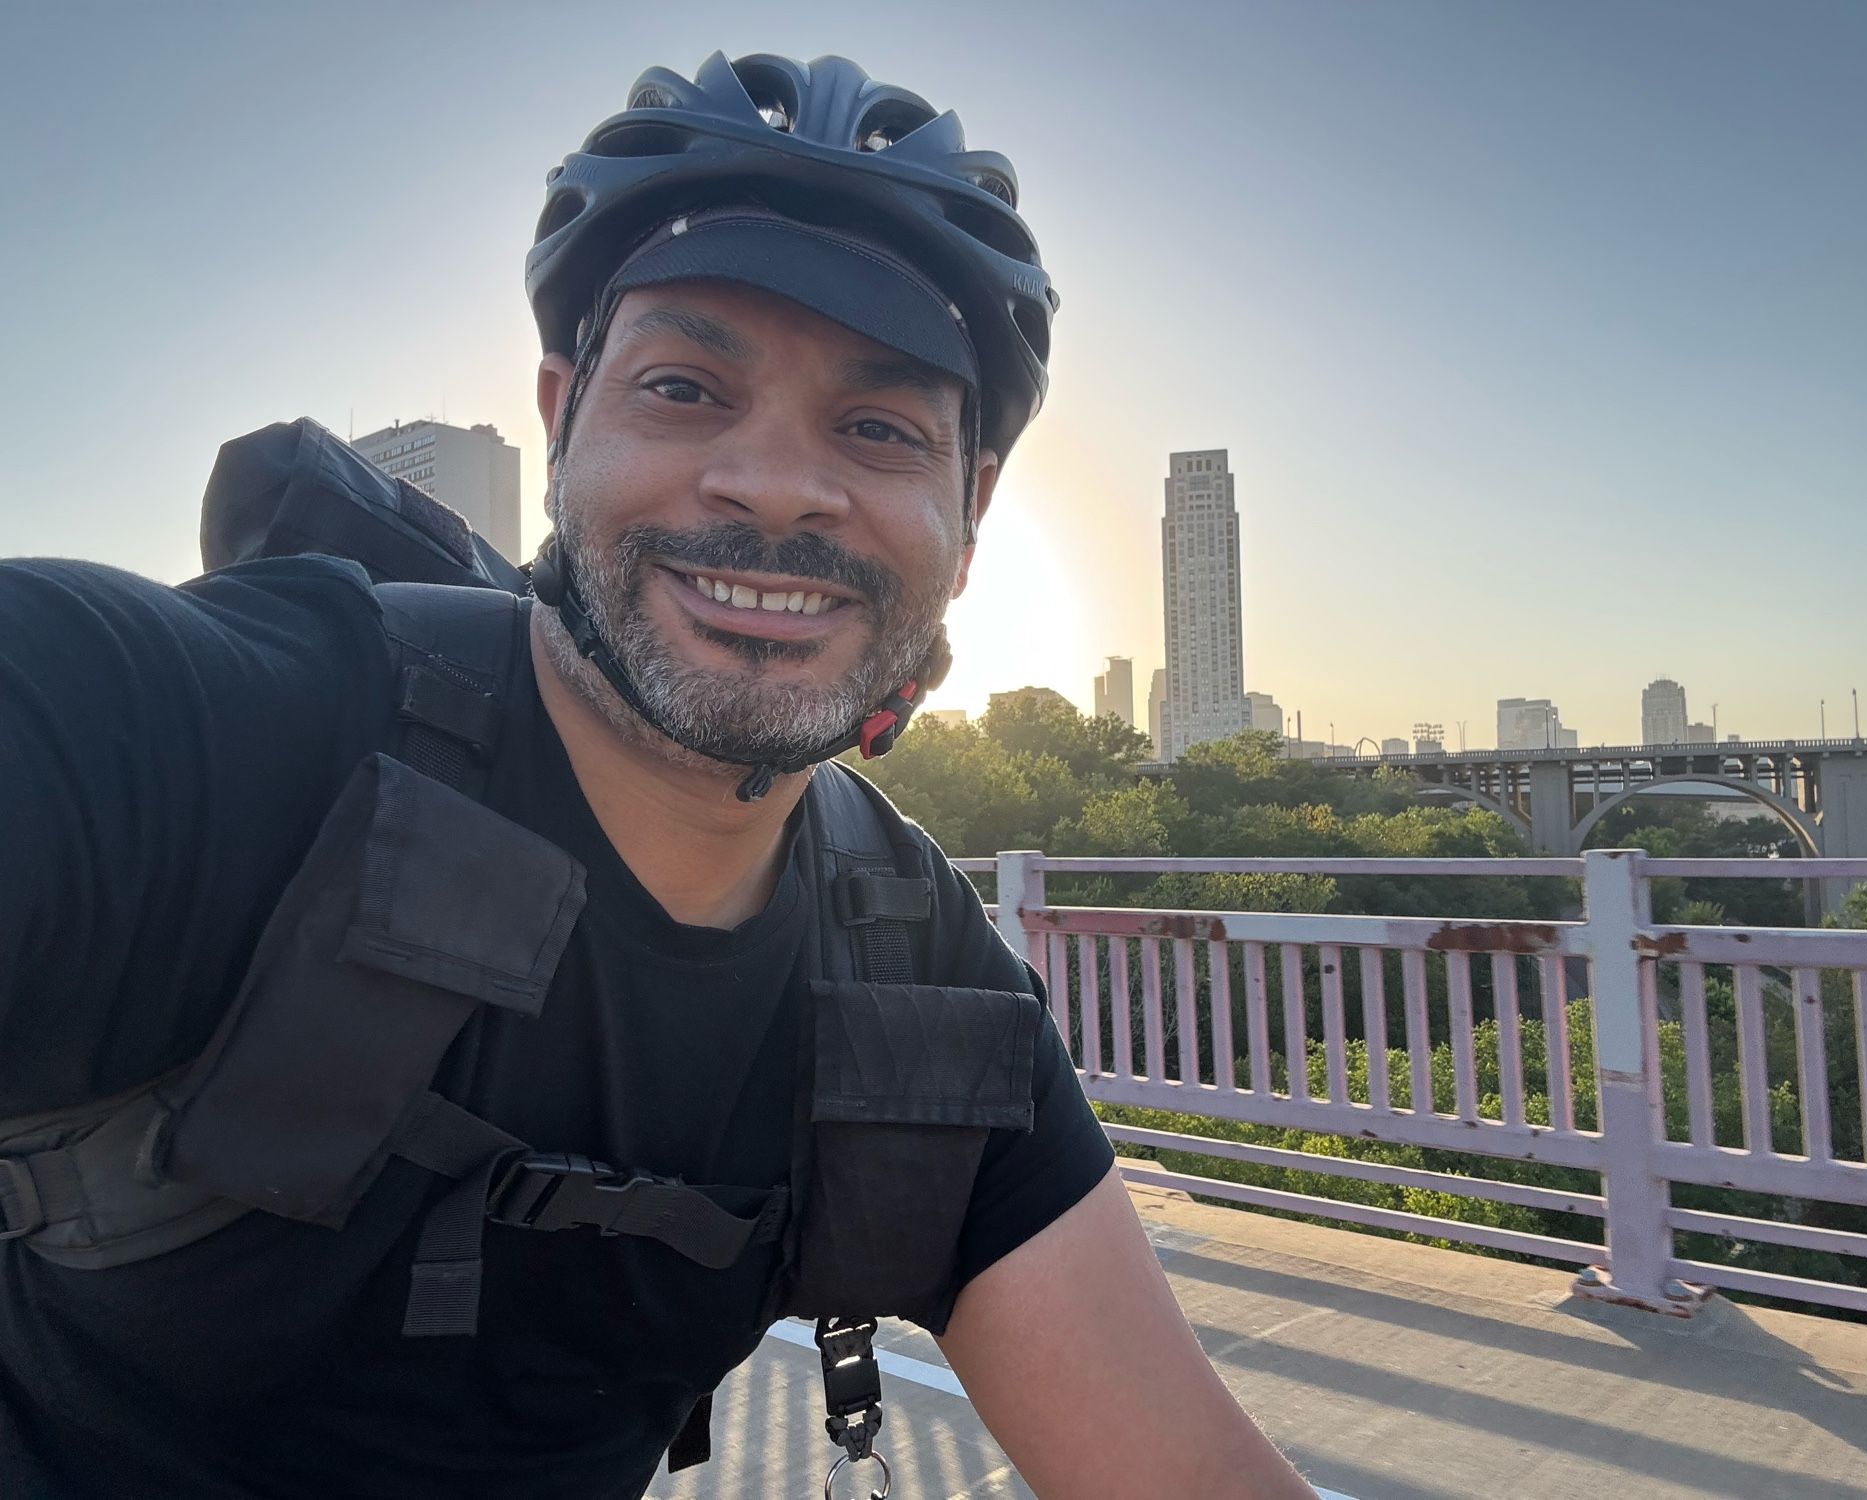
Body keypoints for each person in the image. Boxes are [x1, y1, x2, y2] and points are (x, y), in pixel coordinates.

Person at [0, 51, 1316, 1499]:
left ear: (972, 506)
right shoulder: (231, 733)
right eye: (686, 388)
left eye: (877, 429)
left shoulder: (909, 984)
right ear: (566, 418)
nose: (774, 485)